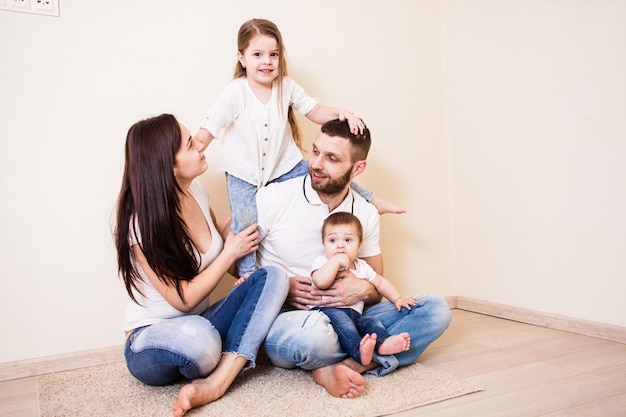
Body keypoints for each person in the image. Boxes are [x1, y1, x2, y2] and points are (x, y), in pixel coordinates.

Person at [254, 119, 452, 398]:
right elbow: (236, 262)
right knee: (314, 338)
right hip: (294, 318)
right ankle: (365, 354)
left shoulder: (365, 212)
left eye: (332, 158)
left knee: (435, 310)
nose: (317, 164)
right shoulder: (274, 198)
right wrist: (281, 288)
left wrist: (364, 289)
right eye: (315, 152)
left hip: (352, 314)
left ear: (357, 168)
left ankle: (342, 366)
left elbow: (375, 290)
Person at [193, 18, 404, 277]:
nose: (267, 61)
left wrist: (343, 113)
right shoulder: (235, 93)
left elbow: (315, 112)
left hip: (283, 165)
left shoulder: (287, 87)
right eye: (257, 54)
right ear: (242, 58)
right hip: (244, 173)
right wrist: (193, 151)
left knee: (324, 172)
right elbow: (209, 129)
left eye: (273, 55)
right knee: (246, 223)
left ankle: (372, 199)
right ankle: (248, 274)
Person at [114, 114, 289, 417]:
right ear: (167, 165)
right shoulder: (139, 224)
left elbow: (219, 236)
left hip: (201, 322)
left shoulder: (195, 190)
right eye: (190, 144)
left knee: (273, 277)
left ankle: (219, 381)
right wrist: (230, 254)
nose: (201, 146)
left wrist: (247, 217)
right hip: (150, 338)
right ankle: (231, 351)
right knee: (203, 343)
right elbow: (183, 300)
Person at [310, 212, 415, 370]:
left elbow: (380, 283)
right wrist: (336, 261)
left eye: (347, 240)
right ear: (324, 244)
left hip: (355, 314)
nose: (340, 245)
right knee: (346, 326)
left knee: (371, 322)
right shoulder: (323, 262)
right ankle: (359, 352)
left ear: (359, 245)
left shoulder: (362, 267)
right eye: (332, 240)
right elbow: (320, 282)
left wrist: (398, 298)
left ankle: (383, 344)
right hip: (327, 312)